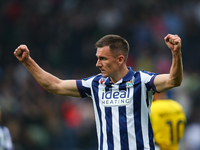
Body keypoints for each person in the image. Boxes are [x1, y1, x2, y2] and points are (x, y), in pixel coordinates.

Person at [14, 34, 183, 150]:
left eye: (102, 58)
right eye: (97, 58)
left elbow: (173, 80)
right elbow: (55, 85)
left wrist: (176, 53)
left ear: (120, 59)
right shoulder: (96, 83)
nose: (97, 63)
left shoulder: (143, 80)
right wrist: (28, 61)